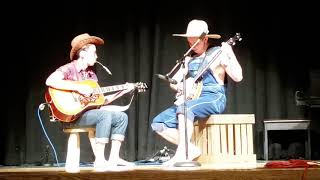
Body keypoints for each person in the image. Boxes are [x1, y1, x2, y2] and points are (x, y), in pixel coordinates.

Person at [151, 19, 243, 166]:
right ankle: (190, 149)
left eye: (195, 43)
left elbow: (238, 77)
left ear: (205, 39)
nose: (192, 46)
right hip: (194, 99)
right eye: (189, 43)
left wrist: (229, 53)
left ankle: (181, 154)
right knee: (158, 123)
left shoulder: (217, 54)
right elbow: (174, 83)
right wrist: (181, 86)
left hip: (214, 97)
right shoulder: (189, 59)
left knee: (185, 109)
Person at [45, 33, 135, 171]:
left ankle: (113, 159)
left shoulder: (91, 75)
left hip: (88, 114)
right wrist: (78, 87)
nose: (97, 56)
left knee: (122, 117)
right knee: (104, 116)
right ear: (83, 53)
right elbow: (50, 81)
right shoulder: (69, 69)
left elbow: (101, 102)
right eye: (94, 53)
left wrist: (122, 91)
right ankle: (99, 160)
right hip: (71, 116)